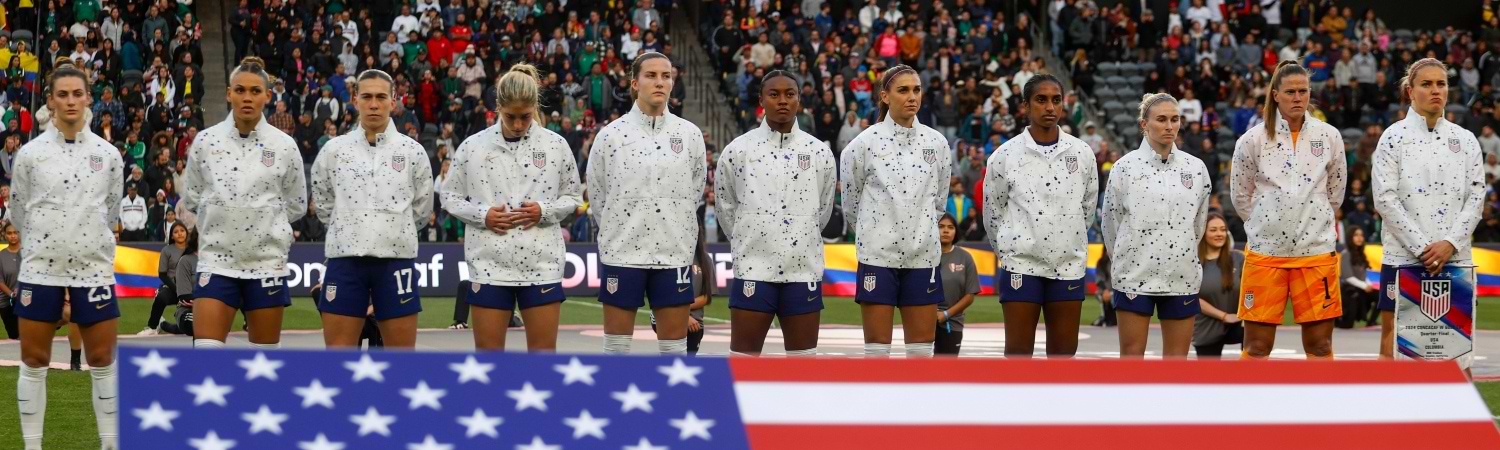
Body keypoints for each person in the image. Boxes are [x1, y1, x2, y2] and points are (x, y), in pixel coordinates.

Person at [11, 60, 124, 450]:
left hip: (93, 272)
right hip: (40, 270)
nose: (71, 101)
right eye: (63, 94)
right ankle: (32, 446)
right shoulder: (29, 155)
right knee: (35, 360)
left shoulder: (109, 155)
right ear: (51, 100)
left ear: (88, 98)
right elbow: (19, 212)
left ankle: (109, 444)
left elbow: (111, 213)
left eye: (78, 94)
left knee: (102, 361)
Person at [442, 63, 581, 351]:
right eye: (510, 117)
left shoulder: (555, 145)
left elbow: (572, 197)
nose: (518, 124)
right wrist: (483, 216)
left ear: (536, 107)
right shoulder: (473, 146)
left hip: (542, 263)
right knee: (489, 362)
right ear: (497, 107)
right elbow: (449, 197)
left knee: (543, 360)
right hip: (489, 264)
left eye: (526, 117)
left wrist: (543, 211)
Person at [180, 57, 307, 351]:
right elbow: (192, 198)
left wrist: (264, 224)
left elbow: (297, 204)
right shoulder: (205, 142)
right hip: (216, 262)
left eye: (254, 90)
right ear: (228, 93)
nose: (247, 97)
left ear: (267, 95)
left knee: (262, 369)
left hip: (266, 265)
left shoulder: (284, 146)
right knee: (207, 361)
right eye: (240, 90)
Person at [586, 52, 706, 355]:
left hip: (673, 254)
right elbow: (598, 196)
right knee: (616, 351)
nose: (660, 82)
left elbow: (694, 192)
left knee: (674, 352)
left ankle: (672, 405)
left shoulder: (690, 135)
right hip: (622, 254)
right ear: (634, 83)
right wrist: (620, 229)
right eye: (651, 75)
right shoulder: (611, 136)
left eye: (666, 76)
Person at [1230, 60, 1347, 360]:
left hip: (1316, 252)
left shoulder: (1329, 136)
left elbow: (1336, 193)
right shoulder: (1252, 139)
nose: (1298, 97)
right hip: (1266, 254)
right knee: (1256, 347)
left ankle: (1320, 407)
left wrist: (1314, 219)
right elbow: (1240, 195)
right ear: (1275, 95)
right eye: (1291, 91)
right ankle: (1251, 408)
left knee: (1321, 346)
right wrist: (1266, 223)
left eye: (1304, 91)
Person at [312, 68, 435, 349]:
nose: (374, 103)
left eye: (381, 97)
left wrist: (391, 229)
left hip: (396, 260)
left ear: (394, 101)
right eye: (367, 96)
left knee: (399, 361)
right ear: (355, 100)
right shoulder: (334, 151)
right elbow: (323, 204)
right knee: (339, 360)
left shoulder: (412, 151)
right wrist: (350, 226)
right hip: (345, 260)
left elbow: (421, 208)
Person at [716, 70, 836, 356]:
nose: (782, 100)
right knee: (744, 364)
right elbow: (726, 208)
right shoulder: (738, 150)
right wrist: (753, 236)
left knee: (803, 371)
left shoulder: (819, 152)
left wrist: (799, 234)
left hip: (803, 271)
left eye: (790, 94)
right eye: (774, 94)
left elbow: (823, 210)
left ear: (799, 100)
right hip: (753, 269)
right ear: (761, 100)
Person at [1373, 58, 1485, 360]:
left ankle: (1457, 409)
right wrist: (1424, 248)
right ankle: (1393, 408)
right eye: (1426, 84)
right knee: (1394, 345)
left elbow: (1476, 198)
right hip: (1402, 258)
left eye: (1441, 83)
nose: (1436, 90)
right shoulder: (1392, 138)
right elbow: (1385, 199)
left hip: (1455, 258)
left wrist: (1449, 244)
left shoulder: (1466, 140)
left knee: (1457, 353)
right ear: (1410, 91)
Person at [985, 74, 1099, 358]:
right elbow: (993, 213)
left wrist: (1067, 240)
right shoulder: (1004, 155)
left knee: (1063, 357)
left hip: (1068, 266)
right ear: (1025, 105)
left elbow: (1087, 209)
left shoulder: (1083, 153)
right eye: (1041, 99)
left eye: (1056, 100)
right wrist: (1012, 250)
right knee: (1018, 355)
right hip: (1021, 266)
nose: (1050, 107)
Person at [842, 64, 951, 358]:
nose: (912, 96)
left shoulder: (937, 143)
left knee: (920, 356)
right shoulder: (862, 145)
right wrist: (875, 233)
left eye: (916, 89)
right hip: (878, 258)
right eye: (903, 90)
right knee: (877, 356)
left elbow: (939, 201)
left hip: (923, 257)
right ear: (885, 96)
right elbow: (851, 205)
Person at [1100, 93, 1212, 358]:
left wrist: (1180, 250)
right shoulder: (1124, 168)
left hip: (1181, 274)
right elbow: (1110, 224)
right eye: (1161, 119)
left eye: (1175, 119)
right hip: (1134, 275)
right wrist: (1127, 258)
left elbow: (1199, 224)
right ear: (1144, 124)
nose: (1169, 126)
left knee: (1176, 365)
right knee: (1132, 360)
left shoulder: (1196, 169)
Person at [1193, 213, 1245, 357]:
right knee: (1208, 376)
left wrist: (1246, 315)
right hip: (1206, 325)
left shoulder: (1239, 258)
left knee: (1257, 339)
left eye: (1223, 230)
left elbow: (1250, 290)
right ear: (1203, 232)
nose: (1219, 234)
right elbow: (1192, 297)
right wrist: (1224, 316)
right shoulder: (1193, 263)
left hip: (1239, 322)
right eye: (1213, 230)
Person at [935, 213, 979, 355]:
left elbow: (970, 295)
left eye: (950, 227)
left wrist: (946, 314)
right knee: (920, 372)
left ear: (956, 231)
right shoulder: (923, 256)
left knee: (945, 372)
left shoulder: (965, 257)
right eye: (940, 227)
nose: (946, 231)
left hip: (952, 323)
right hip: (923, 321)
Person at [137, 222, 188, 335]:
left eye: (182, 231)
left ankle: (163, 324)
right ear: (171, 236)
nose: (179, 234)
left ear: (186, 233)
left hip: (190, 289)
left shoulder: (193, 250)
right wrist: (177, 289)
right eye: (176, 232)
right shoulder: (167, 250)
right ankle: (152, 327)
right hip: (172, 287)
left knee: (189, 328)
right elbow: (162, 274)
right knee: (161, 298)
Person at [159, 227, 199, 336]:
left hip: (211, 307)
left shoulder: (217, 261)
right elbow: (185, 298)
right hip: (189, 310)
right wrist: (210, 301)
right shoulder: (186, 261)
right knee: (195, 322)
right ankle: (162, 325)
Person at [1339, 228, 1377, 329]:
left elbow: (1364, 274)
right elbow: (1348, 277)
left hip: (1361, 289)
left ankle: (1371, 322)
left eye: (1361, 235)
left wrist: (1369, 285)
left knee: (1380, 296)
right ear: (1350, 237)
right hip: (1349, 291)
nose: (1360, 238)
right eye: (1356, 235)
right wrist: (1364, 286)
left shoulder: (1361, 254)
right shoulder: (1346, 253)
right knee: (1347, 325)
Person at [0, 223, 21, 339]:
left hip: (28, 299)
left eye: (15, 232)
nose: (13, 236)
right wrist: (12, 294)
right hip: (6, 302)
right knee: (14, 336)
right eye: (9, 233)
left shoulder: (28, 254)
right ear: (4, 235)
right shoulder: (1, 256)